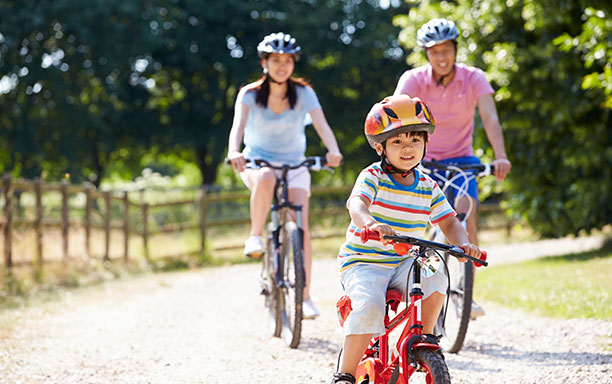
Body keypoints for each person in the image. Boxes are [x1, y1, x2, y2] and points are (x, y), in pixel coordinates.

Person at [330, 94, 481, 384]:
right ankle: (345, 374)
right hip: (365, 261)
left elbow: (449, 221)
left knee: (437, 273)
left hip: (404, 260)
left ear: (426, 143)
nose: (407, 148)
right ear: (380, 146)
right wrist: (370, 223)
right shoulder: (373, 176)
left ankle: (423, 337)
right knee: (369, 305)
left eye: (415, 140)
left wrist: (463, 243)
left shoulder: (427, 184)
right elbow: (356, 204)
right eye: (397, 141)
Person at [394, 18, 511, 318]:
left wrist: (500, 156)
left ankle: (465, 291)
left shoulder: (473, 78)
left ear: (456, 50)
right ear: (426, 54)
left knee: (465, 210)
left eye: (447, 50)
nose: (442, 57)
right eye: (434, 52)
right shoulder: (414, 79)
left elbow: (491, 119)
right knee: (421, 225)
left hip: (462, 160)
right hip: (424, 161)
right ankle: (424, 284)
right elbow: (397, 115)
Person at [227, 32, 343, 319]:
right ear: (264, 62)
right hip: (257, 163)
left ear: (294, 64)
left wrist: (333, 150)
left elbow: (322, 125)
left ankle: (304, 297)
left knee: (300, 225)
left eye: (288, 61)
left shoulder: (304, 93)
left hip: (294, 165)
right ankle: (255, 236)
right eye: (275, 60)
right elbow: (237, 128)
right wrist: (234, 151)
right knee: (266, 177)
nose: (282, 66)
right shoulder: (250, 94)